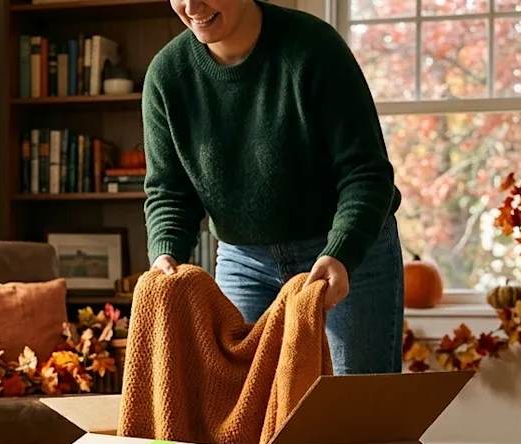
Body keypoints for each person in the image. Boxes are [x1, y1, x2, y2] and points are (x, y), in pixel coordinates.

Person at [143, 0, 403, 375]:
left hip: (347, 251)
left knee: (355, 403)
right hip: (243, 262)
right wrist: (166, 254)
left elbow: (367, 173)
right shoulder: (166, 75)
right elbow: (169, 192)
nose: (191, 5)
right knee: (241, 400)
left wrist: (342, 252)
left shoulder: (313, 48)